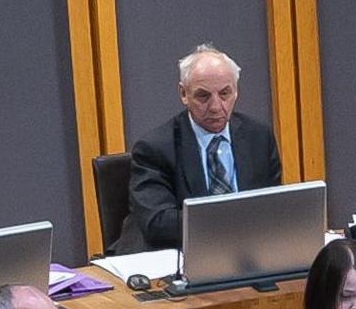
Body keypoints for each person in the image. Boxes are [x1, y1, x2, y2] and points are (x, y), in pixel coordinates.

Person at [116, 44, 285, 253]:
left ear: (236, 91)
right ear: (183, 94)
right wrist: (234, 221)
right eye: (203, 96)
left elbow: (273, 207)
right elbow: (158, 223)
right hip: (180, 256)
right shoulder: (154, 148)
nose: (215, 107)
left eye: (224, 94)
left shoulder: (258, 137)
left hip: (246, 254)